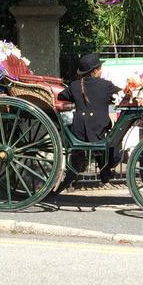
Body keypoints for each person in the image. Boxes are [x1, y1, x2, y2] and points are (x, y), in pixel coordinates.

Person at [58, 52, 123, 187]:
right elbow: (121, 94)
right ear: (95, 70)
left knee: (86, 143)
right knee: (110, 143)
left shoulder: (75, 85)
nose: (101, 70)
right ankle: (105, 172)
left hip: (79, 130)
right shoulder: (106, 85)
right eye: (100, 68)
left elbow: (62, 95)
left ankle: (74, 171)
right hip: (98, 128)